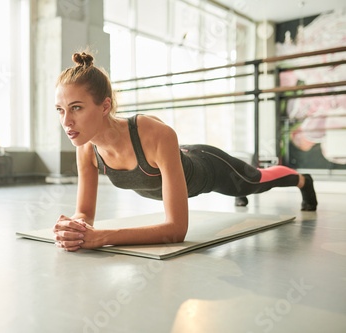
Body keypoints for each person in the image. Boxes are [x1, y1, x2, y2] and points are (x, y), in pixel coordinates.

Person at [52, 52, 317, 252]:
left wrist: (103, 237)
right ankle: (244, 195)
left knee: (255, 180)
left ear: (105, 105)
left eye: (76, 107)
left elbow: (176, 230)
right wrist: (76, 227)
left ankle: (303, 180)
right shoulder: (86, 147)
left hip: (209, 167)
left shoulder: (154, 134)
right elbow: (84, 213)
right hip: (181, 159)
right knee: (247, 186)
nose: (66, 122)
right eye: (61, 110)